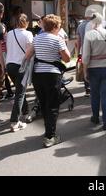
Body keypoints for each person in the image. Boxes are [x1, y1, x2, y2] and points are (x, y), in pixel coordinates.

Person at [25, 15, 71, 148]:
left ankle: (48, 130)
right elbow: (67, 59)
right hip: (52, 75)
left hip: (37, 75)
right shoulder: (58, 39)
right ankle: (50, 137)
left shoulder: (37, 38)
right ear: (56, 27)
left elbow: (28, 55)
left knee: (44, 103)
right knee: (52, 105)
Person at [82, 12, 106, 131]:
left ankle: (95, 117)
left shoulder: (89, 35)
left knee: (94, 94)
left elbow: (86, 56)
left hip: (93, 68)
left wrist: (84, 71)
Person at [6, 14, 34, 132]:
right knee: (20, 93)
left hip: (10, 64)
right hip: (21, 65)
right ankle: (14, 121)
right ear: (26, 22)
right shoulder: (28, 34)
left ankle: (25, 110)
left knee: (19, 89)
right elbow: (30, 51)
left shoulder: (9, 33)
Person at [77, 9, 97, 97]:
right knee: (93, 68)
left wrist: (78, 52)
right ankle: (94, 87)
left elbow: (78, 41)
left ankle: (87, 89)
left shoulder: (80, 26)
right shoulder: (94, 25)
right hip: (93, 51)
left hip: (84, 50)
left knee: (86, 69)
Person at [1, 23, 14, 100]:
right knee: (4, 75)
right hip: (2, 55)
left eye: (2, 28)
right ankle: (8, 92)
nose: (1, 29)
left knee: (5, 74)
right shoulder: (0, 35)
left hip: (5, 55)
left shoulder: (7, 36)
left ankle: (9, 92)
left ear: (5, 28)